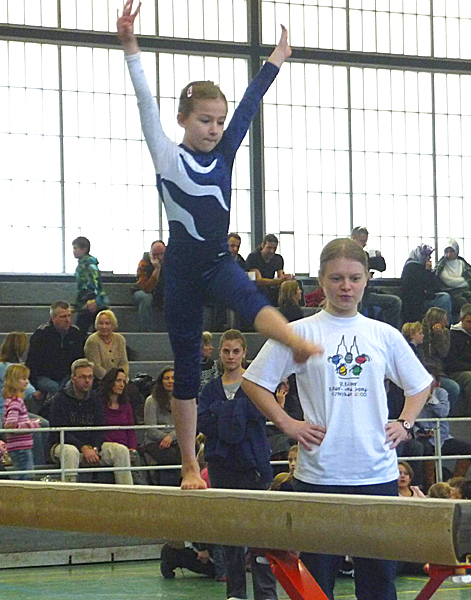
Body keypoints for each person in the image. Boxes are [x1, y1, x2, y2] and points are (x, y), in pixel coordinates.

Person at [118, 1, 320, 490]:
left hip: (216, 260)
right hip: (182, 273)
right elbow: (145, 103)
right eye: (204, 120)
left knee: (251, 299)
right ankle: (190, 465)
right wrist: (131, 48)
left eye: (218, 121)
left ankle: (292, 339)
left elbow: (249, 106)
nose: (214, 129)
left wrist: (276, 60)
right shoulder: (167, 156)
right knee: (187, 371)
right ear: (183, 119)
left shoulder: (226, 151)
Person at [242, 237, 432, 599]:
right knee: (317, 584)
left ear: (366, 280)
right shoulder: (300, 332)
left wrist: (405, 423)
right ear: (321, 280)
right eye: (337, 278)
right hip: (320, 475)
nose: (346, 286)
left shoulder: (383, 335)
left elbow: (420, 384)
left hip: (376, 474)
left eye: (355, 278)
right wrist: (288, 424)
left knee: (379, 585)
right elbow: (254, 382)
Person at [198, 329, 278, 600]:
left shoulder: (256, 385)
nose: (231, 356)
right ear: (219, 353)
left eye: (235, 351)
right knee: (230, 535)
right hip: (222, 467)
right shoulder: (210, 389)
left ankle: (266, 594)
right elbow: (204, 423)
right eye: (226, 351)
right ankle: (235, 593)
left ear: (244, 353)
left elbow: (261, 412)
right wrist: (239, 412)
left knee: (259, 536)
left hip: (253, 466)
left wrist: (222, 411)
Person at [48, 358, 133, 485]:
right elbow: (58, 432)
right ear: (73, 379)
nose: (87, 381)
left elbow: (100, 428)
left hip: (91, 447)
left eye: (90, 377)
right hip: (63, 445)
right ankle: (69, 491)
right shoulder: (59, 399)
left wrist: (95, 447)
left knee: (121, 450)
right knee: (71, 452)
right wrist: (83, 448)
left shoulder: (95, 398)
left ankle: (127, 491)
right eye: (83, 377)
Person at [0, 331, 48, 466]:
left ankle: (41, 461)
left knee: (44, 424)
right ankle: (38, 466)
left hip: (16, 409)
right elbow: (21, 384)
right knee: (36, 428)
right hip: (1, 410)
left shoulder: (17, 366)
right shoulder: (2, 367)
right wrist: (34, 393)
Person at [415, 365, 471, 486]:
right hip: (422, 437)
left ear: (437, 383)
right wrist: (418, 432)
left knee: (467, 448)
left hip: (442, 437)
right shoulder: (413, 395)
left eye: (431, 381)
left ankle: (455, 484)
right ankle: (430, 486)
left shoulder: (442, 393)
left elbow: (443, 412)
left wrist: (430, 399)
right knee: (425, 449)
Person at [26, 301, 85, 398]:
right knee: (55, 387)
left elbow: (79, 359)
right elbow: (32, 362)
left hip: (67, 376)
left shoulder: (75, 333)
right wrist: (33, 385)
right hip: (44, 376)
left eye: (69, 316)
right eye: (63, 317)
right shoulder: (42, 334)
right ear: (53, 318)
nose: (67, 320)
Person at [99, 367, 145, 484]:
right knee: (122, 453)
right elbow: (99, 431)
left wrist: (132, 448)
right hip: (107, 446)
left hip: (126, 447)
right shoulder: (99, 405)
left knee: (135, 460)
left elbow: (131, 431)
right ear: (110, 382)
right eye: (118, 381)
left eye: (124, 381)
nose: (122, 385)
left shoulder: (126, 406)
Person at [351, 226, 402, 329]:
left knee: (393, 299)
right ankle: (389, 329)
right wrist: (363, 276)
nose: (364, 244)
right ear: (354, 238)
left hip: (366, 291)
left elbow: (381, 268)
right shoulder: (347, 255)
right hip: (358, 294)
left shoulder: (365, 255)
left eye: (365, 241)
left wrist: (379, 257)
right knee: (395, 302)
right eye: (362, 241)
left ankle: (387, 330)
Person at [2, 363, 41, 481]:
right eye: (24, 379)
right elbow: (11, 426)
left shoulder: (13, 401)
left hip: (20, 447)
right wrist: (32, 425)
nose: (27, 382)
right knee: (26, 479)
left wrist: (29, 421)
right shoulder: (15, 402)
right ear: (14, 381)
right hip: (20, 449)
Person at [143, 367, 181, 486]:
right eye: (166, 378)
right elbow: (151, 430)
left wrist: (170, 437)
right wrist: (166, 438)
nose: (170, 381)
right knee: (170, 456)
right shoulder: (151, 401)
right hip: (155, 441)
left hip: (176, 439)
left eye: (173, 378)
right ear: (161, 381)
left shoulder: (182, 401)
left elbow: (184, 425)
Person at [420, 307, 461, 412]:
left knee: (453, 387)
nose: (446, 323)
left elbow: (443, 353)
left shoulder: (445, 332)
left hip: (439, 372)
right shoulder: (420, 332)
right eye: (444, 320)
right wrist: (428, 335)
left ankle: (445, 413)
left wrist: (438, 336)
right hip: (423, 370)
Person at [400, 243, 451, 323]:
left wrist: (430, 271)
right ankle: (445, 324)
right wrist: (427, 271)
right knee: (444, 299)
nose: (429, 258)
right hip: (416, 303)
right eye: (427, 255)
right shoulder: (411, 267)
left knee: (444, 296)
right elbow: (423, 286)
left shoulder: (420, 266)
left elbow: (434, 286)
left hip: (423, 298)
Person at [72, 236, 109, 337]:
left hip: (92, 301)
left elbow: (93, 281)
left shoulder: (88, 264)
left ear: (84, 249)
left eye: (75, 248)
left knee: (80, 332)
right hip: (88, 300)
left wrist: (92, 298)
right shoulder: (82, 264)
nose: (73, 251)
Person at [435, 239, 471, 317]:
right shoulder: (442, 265)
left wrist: (460, 282)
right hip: (450, 291)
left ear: (456, 251)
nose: (449, 254)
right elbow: (448, 281)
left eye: (451, 251)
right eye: (447, 251)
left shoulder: (462, 263)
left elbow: (470, 279)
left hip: (465, 290)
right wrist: (463, 281)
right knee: (462, 302)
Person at [245, 233, 291, 306]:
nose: (272, 251)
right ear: (263, 246)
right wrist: (278, 280)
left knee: (292, 285)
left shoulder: (278, 258)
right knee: (262, 288)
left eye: (274, 248)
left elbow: (281, 276)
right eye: (269, 248)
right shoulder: (253, 258)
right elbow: (258, 281)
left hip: (271, 286)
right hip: (257, 288)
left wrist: (286, 278)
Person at [84, 310, 129, 381]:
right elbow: (96, 367)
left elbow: (124, 363)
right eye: (101, 323)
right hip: (100, 380)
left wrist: (122, 378)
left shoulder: (120, 339)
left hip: (119, 379)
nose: (104, 327)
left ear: (113, 325)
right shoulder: (92, 341)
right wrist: (111, 380)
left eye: (107, 323)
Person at [134, 240, 166, 332]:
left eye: (162, 254)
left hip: (163, 294)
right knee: (146, 298)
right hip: (142, 291)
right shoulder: (144, 263)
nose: (159, 258)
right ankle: (146, 332)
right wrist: (156, 270)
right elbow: (146, 288)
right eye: (155, 255)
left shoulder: (172, 263)